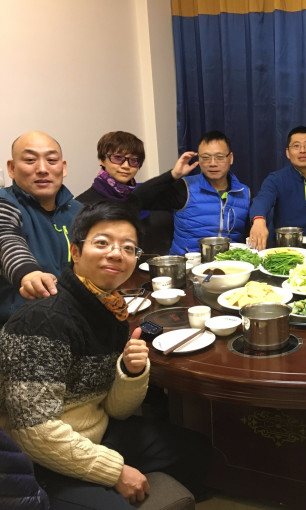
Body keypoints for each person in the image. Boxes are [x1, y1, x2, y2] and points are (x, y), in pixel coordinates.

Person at [0, 201, 212, 508]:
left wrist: (131, 372)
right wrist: (114, 472)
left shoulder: (111, 308)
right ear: (75, 251)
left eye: (128, 248)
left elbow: (115, 409)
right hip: (38, 460)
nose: (116, 253)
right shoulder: (43, 320)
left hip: (96, 433)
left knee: (195, 450)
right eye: (102, 243)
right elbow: (33, 431)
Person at [0, 131, 82, 324]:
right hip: (20, 325)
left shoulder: (79, 211)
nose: (43, 169)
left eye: (51, 160)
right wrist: (29, 274)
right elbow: (6, 239)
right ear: (11, 168)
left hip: (74, 319)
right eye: (30, 160)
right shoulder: (5, 205)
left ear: (63, 167)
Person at [132, 130, 250, 254]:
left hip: (230, 262)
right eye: (205, 157)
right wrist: (173, 174)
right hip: (189, 262)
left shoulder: (244, 192)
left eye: (219, 157)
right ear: (198, 159)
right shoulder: (185, 187)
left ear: (230, 158)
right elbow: (138, 198)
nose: (212, 163)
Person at [76, 131, 173, 254]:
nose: (126, 166)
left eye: (133, 160)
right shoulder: (82, 205)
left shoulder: (138, 197)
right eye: (118, 158)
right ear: (102, 159)